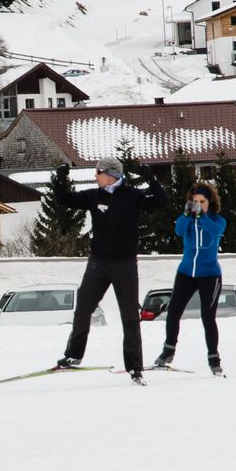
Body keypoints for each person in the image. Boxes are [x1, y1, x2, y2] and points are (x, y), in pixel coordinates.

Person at [52, 157, 167, 382]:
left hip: (124, 264)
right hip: (98, 262)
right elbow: (63, 200)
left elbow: (162, 201)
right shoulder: (94, 196)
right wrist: (60, 178)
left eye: (98, 173)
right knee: (83, 308)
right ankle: (73, 356)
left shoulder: (133, 196)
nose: (96, 177)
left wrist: (151, 179)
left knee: (130, 317)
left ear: (111, 174)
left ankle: (134, 367)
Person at [154, 184, 227, 376]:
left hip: (209, 275)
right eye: (195, 202)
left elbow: (214, 231)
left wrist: (202, 216)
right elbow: (178, 230)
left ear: (209, 202)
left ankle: (214, 359)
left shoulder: (217, 220)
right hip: (186, 273)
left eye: (202, 202)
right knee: (174, 311)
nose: (198, 205)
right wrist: (187, 215)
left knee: (208, 317)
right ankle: (168, 351)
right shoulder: (188, 220)